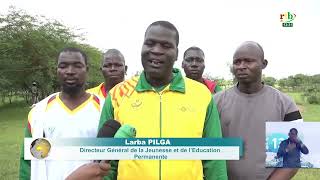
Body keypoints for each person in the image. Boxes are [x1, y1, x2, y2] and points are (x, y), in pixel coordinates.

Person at [99, 21, 227, 180]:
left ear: (177, 53)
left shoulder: (202, 94)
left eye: (166, 45)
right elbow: (106, 163)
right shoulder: (117, 94)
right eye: (150, 43)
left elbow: (214, 159)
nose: (156, 51)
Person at [214, 41, 303, 180]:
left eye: (248, 61)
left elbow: (296, 156)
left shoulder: (285, 105)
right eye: (237, 62)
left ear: (264, 63)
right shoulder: (216, 102)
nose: (241, 66)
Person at [19, 47, 110, 180]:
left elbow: (113, 163)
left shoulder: (104, 109)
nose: (70, 71)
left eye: (77, 66)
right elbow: (28, 163)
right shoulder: (39, 111)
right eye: (63, 66)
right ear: (56, 70)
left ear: (87, 70)